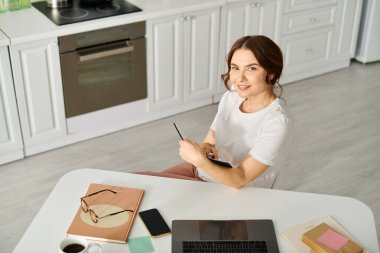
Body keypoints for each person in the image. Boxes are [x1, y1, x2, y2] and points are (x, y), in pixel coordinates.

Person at [134, 35, 293, 189]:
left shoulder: (276, 123)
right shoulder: (232, 97)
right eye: (235, 68)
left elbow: (241, 178)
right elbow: (212, 137)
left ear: (271, 73)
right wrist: (205, 148)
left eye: (251, 68)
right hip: (203, 171)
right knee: (135, 183)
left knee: (147, 191)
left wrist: (198, 159)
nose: (239, 78)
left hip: (230, 189)